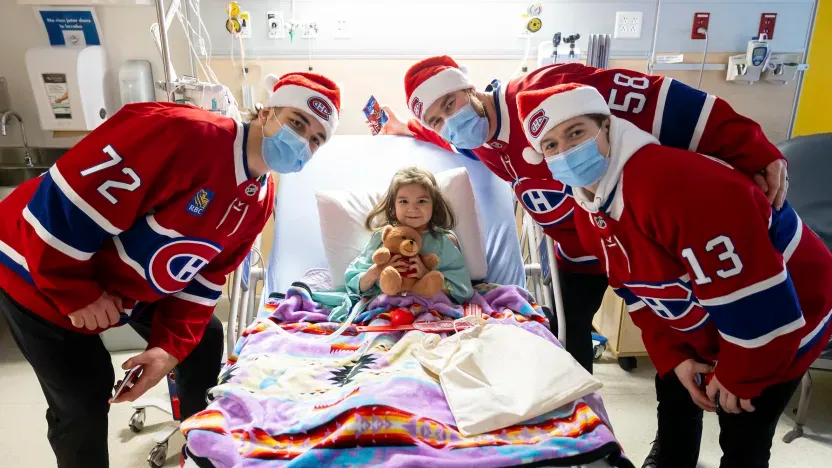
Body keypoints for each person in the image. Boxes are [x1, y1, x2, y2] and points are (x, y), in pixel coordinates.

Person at [0, 71, 341, 468]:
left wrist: (167, 349)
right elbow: (67, 201)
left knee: (202, 341)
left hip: (124, 282)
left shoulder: (259, 201)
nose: (302, 142)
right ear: (266, 112)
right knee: (83, 394)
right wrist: (78, 293)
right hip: (34, 260)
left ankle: (198, 450)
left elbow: (204, 281)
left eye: (316, 139)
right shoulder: (182, 133)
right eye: (297, 123)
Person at [375, 56, 788, 375]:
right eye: (438, 119)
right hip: (579, 253)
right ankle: (582, 421)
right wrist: (406, 127)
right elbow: (439, 131)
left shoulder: (543, 92)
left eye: (452, 103)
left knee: (678, 337)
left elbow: (665, 101)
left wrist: (755, 149)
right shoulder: (471, 140)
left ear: (470, 87)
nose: (452, 121)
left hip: (637, 239)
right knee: (571, 340)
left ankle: (676, 446)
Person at [515, 83, 832, 468]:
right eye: (550, 145)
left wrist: (738, 376)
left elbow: (753, 297)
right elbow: (639, 295)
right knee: (673, 385)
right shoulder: (589, 213)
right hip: (718, 310)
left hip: (790, 314)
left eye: (576, 133)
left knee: (742, 428)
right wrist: (675, 358)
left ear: (607, 126)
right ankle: (672, 458)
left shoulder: (673, 186)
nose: (566, 151)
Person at [345, 166, 474, 304]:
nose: (412, 209)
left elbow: (463, 292)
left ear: (434, 205)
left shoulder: (444, 241)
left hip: (431, 309)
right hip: (386, 309)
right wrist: (377, 271)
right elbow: (353, 285)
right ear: (393, 206)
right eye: (403, 201)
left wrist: (425, 275)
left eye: (422, 201)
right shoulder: (382, 238)